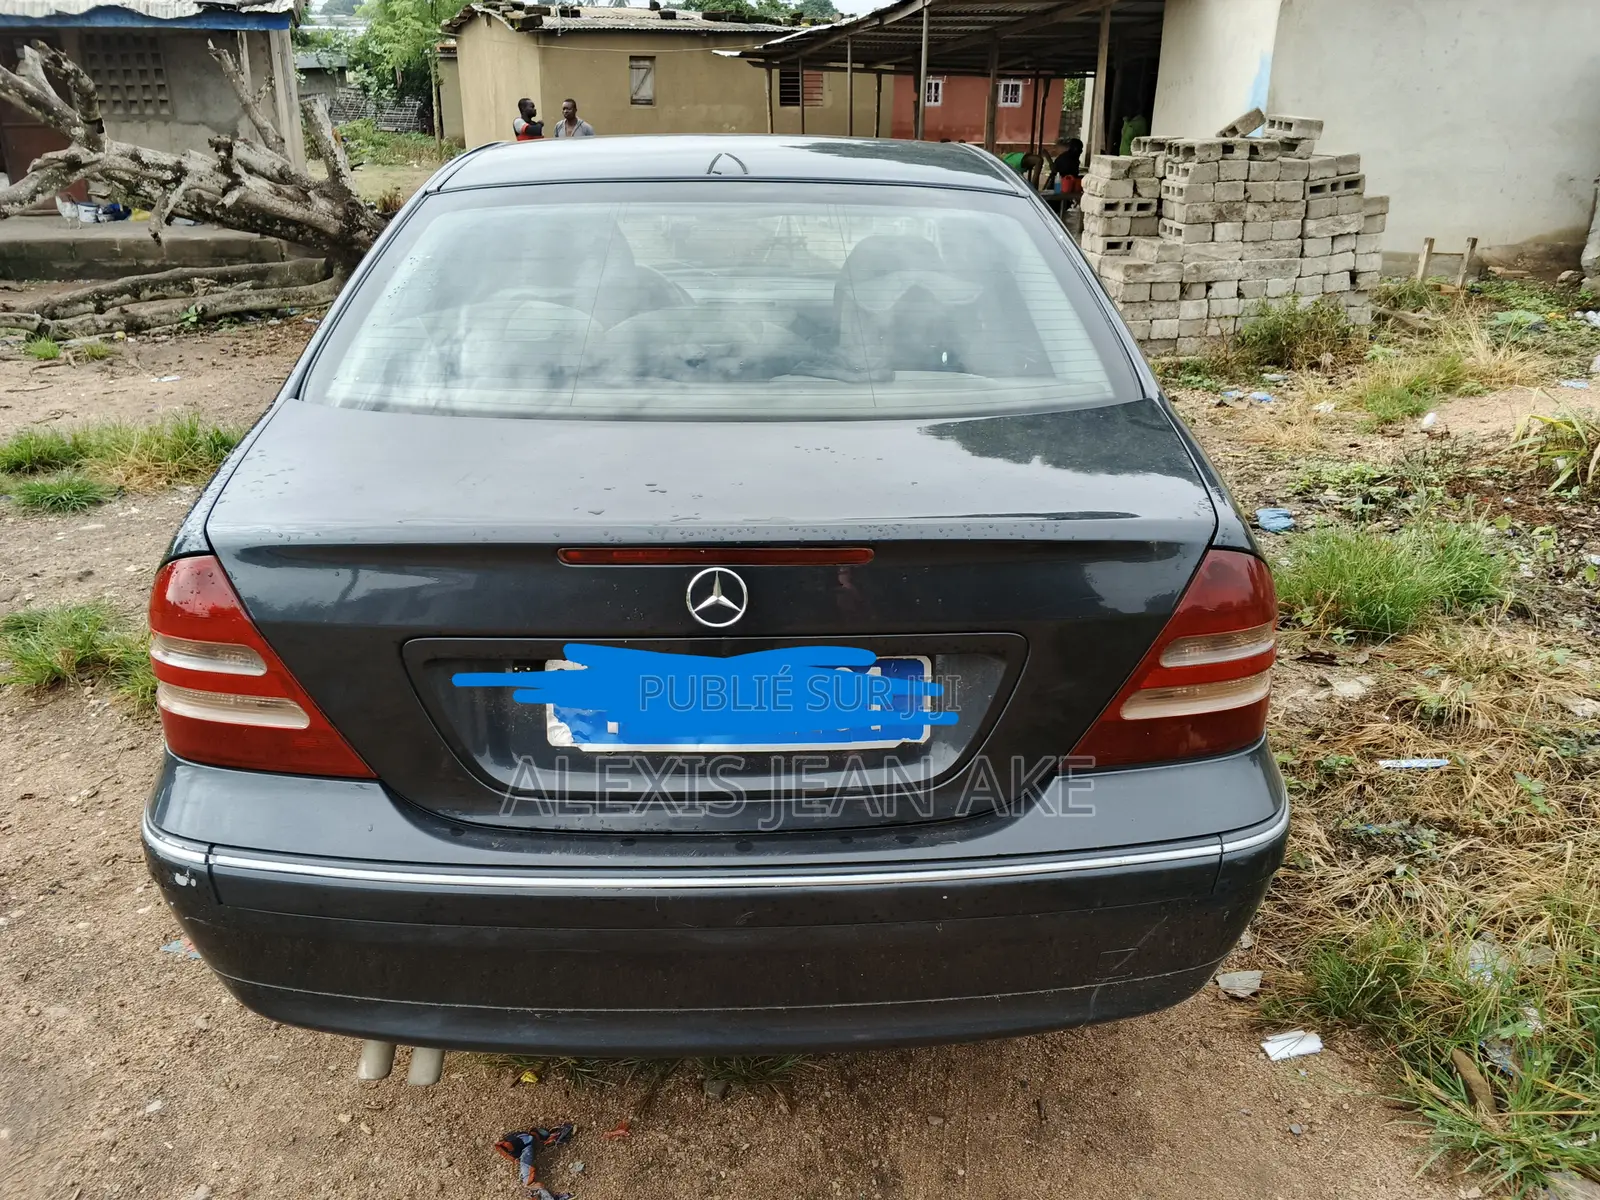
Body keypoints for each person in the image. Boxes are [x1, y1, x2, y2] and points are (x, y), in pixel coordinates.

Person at [1045, 138, 1084, 208]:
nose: (1081, 151)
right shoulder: (1069, 158)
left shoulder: (1069, 158)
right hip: (1061, 187)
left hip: (1061, 187)